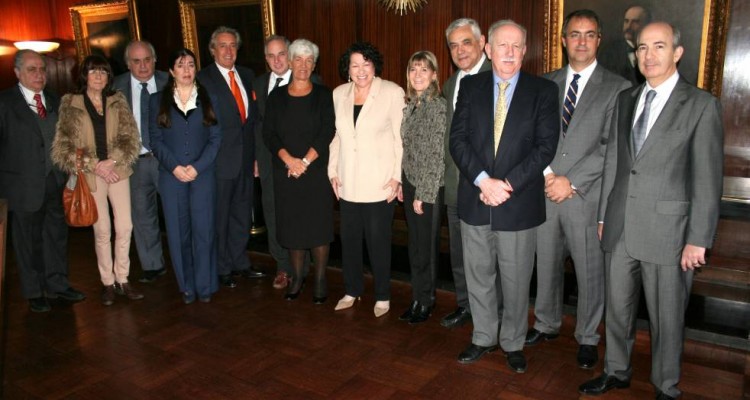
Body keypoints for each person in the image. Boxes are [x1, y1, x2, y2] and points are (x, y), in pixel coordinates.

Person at [579, 22, 723, 400]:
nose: (649, 55)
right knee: (617, 309)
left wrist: (698, 240)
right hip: (620, 226)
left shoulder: (701, 105)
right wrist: (602, 216)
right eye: (642, 47)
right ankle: (616, 371)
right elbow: (614, 161)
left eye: (659, 46)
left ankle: (665, 385)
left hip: (670, 234)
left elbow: (708, 179)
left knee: (667, 318)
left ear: (677, 52)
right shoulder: (627, 98)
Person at [449, 20, 558, 373]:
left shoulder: (543, 91)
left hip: (519, 202)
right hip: (476, 199)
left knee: (515, 280)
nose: (509, 52)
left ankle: (512, 342)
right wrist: (483, 181)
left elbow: (545, 148)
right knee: (478, 276)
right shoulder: (470, 87)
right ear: (488, 49)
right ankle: (482, 337)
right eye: (502, 45)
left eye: (516, 46)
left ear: (525, 51)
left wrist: (505, 185)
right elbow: (458, 141)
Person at [527, 9, 630, 370]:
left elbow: (612, 146)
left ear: (598, 40)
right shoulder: (544, 83)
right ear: (563, 39)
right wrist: (549, 175)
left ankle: (588, 336)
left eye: (589, 34)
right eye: (574, 34)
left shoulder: (619, 88)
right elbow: (532, 136)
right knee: (547, 264)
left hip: (586, 197)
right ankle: (546, 323)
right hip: (545, 191)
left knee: (590, 273)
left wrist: (572, 180)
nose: (581, 41)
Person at [52, 55, 144, 306]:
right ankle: (108, 283)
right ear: (84, 75)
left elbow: (130, 137)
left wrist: (112, 161)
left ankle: (123, 279)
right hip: (90, 174)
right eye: (93, 72)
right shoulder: (71, 103)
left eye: (103, 72)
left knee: (125, 226)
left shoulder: (117, 100)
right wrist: (95, 165)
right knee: (102, 230)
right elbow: (63, 148)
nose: (98, 76)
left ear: (109, 76)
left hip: (118, 170)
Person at [0, 49, 86, 313]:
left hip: (55, 181)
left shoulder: (53, 99)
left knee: (56, 236)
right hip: (22, 186)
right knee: (28, 242)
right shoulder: (4, 102)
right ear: (17, 73)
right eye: (32, 69)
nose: (39, 74)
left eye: (41, 69)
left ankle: (58, 284)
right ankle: (34, 291)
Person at [329, 42, 405, 317]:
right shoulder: (339, 94)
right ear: (347, 69)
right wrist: (333, 171)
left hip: (379, 184)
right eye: (355, 65)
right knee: (349, 241)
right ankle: (352, 290)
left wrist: (397, 178)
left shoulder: (392, 92)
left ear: (375, 66)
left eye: (366, 64)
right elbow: (337, 136)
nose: (361, 70)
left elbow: (400, 140)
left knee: (378, 243)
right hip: (348, 181)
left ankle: (382, 295)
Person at [440, 17, 502, 329]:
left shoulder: (498, 78)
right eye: (454, 44)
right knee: (459, 255)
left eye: (466, 42)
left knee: (488, 259)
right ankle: (465, 306)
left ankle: (491, 315)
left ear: (481, 45)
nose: (460, 50)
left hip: (485, 188)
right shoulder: (451, 84)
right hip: (455, 187)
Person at [263, 39, 335, 303]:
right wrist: (289, 160)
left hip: (314, 173)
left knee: (317, 227)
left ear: (313, 65)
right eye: (298, 59)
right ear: (290, 62)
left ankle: (319, 279)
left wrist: (304, 162)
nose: (303, 65)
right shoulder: (276, 97)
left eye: (309, 60)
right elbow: (268, 134)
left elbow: (327, 131)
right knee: (292, 228)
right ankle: (297, 277)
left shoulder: (324, 95)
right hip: (286, 172)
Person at [149, 48, 222, 304]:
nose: (187, 70)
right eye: (181, 65)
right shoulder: (157, 100)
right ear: (171, 71)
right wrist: (175, 167)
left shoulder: (208, 98)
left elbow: (215, 139)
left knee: (204, 231)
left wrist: (197, 167)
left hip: (202, 176)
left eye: (191, 64)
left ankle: (205, 285)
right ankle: (187, 287)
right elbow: (155, 141)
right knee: (179, 234)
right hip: (172, 177)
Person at [197, 26, 265, 288]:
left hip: (246, 160)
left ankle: (240, 262)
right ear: (212, 49)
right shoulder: (203, 79)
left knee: (240, 214)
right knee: (220, 217)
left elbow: (252, 121)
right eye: (222, 45)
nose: (228, 50)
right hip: (219, 162)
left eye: (233, 45)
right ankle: (222, 266)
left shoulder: (248, 76)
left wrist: (256, 157)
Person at [112, 40, 169, 283]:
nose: (143, 65)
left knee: (176, 213)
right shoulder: (116, 87)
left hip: (166, 160)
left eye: (147, 60)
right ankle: (153, 265)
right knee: (142, 216)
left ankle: (183, 259)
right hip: (134, 161)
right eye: (136, 61)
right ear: (128, 64)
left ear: (155, 60)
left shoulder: (170, 81)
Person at [397, 50, 446, 324]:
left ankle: (426, 301)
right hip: (411, 182)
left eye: (423, 70)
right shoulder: (412, 105)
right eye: (413, 69)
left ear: (434, 75)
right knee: (415, 246)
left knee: (426, 248)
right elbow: (409, 150)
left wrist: (423, 195)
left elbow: (436, 155)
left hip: (428, 187)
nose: (417, 75)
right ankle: (417, 297)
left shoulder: (437, 106)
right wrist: (405, 183)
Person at [253, 35, 294, 290]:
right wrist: (257, 159)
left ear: (289, 55)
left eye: (281, 54)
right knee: (272, 211)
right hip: (268, 160)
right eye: (271, 55)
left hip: (296, 161)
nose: (277, 60)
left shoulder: (307, 80)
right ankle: (282, 266)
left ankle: (301, 262)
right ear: (266, 59)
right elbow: (256, 125)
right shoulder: (258, 83)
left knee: (296, 211)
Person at [599, 5, 652, 86]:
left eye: (635, 22)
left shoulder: (654, 51)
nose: (628, 26)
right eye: (626, 21)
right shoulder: (609, 52)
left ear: (646, 25)